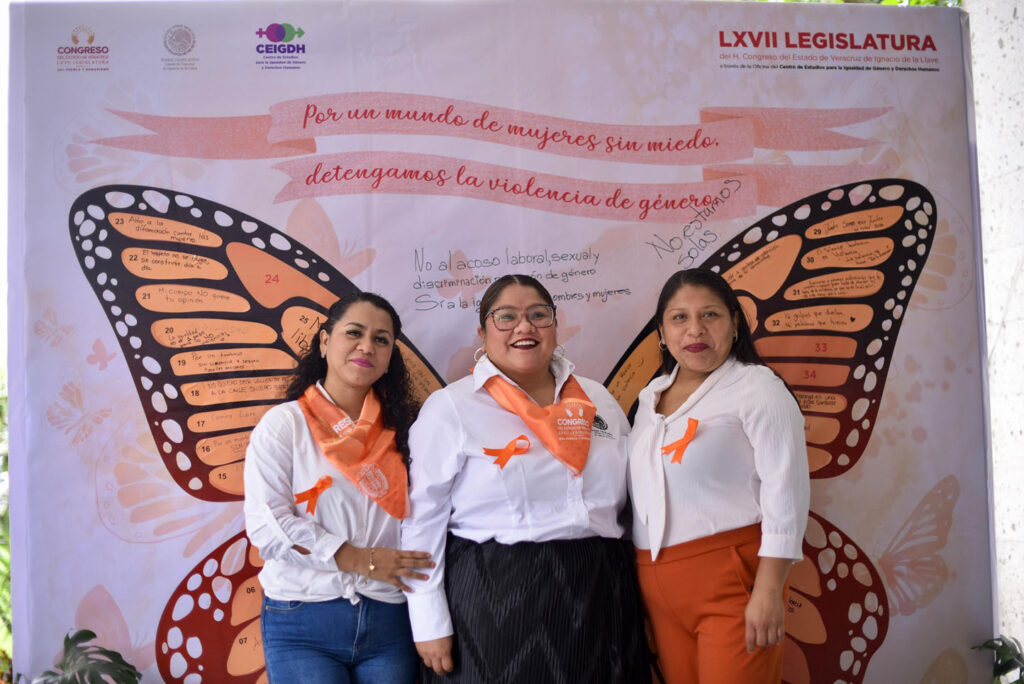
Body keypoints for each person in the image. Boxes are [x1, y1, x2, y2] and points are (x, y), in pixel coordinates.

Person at [401, 274, 651, 683]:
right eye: (506, 317)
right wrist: (428, 619)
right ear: (482, 333)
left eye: (538, 315)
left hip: (602, 588)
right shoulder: (452, 408)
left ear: (555, 325)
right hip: (496, 595)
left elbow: (634, 499)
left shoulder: (597, 399)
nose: (524, 327)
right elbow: (421, 520)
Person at [628, 268, 810, 684]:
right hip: (657, 588)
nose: (695, 329)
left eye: (710, 315)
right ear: (662, 332)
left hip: (732, 582)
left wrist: (769, 590)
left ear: (734, 323)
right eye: (679, 318)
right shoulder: (649, 397)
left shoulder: (757, 387)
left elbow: (787, 489)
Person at [243, 293, 435, 683]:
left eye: (381, 339)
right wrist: (360, 559)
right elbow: (267, 527)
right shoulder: (285, 425)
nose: (367, 346)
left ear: (389, 357)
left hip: (390, 618)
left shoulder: (408, 432)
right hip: (303, 615)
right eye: (354, 333)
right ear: (324, 341)